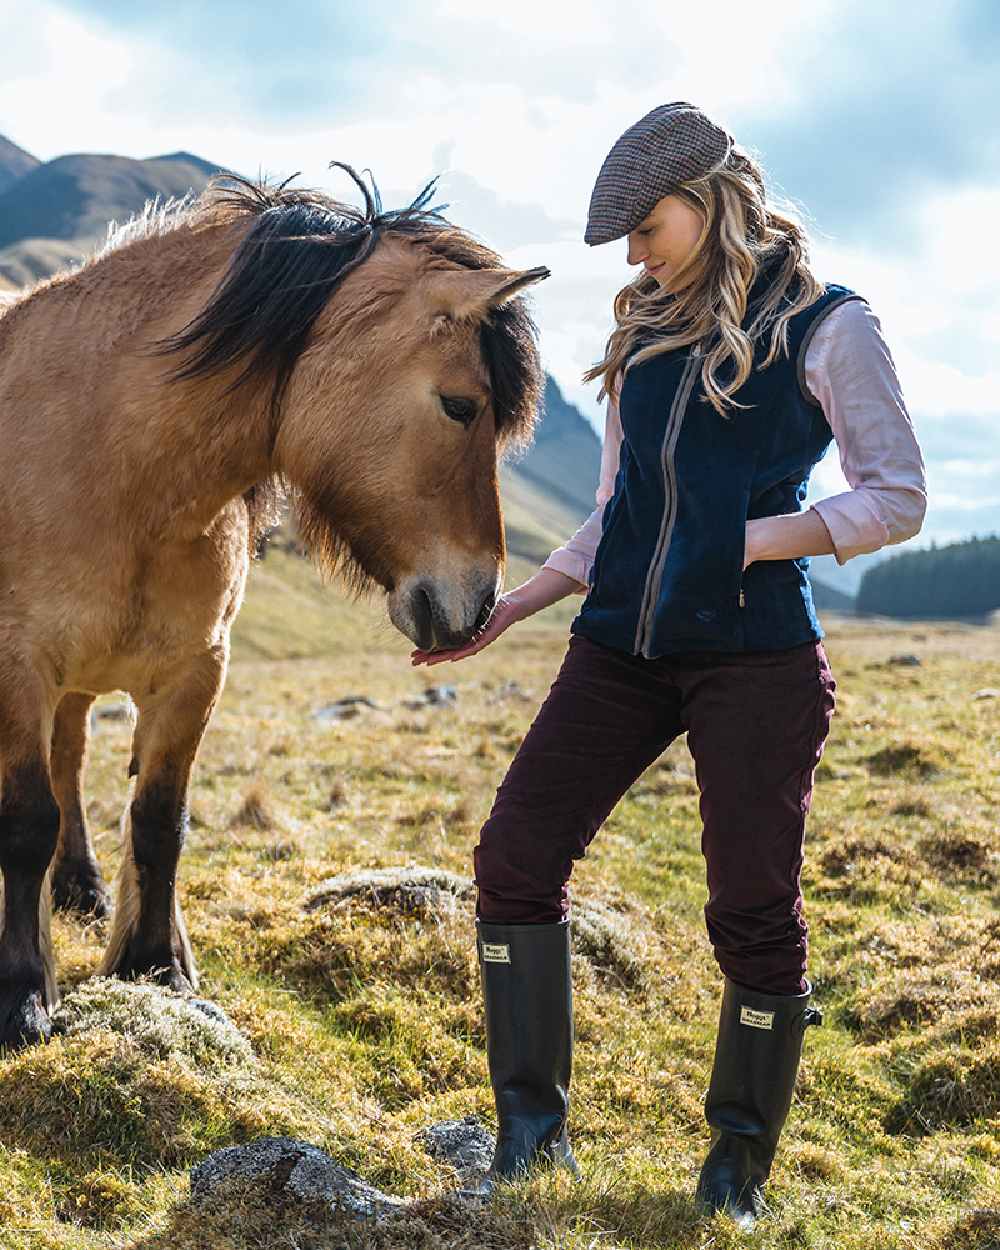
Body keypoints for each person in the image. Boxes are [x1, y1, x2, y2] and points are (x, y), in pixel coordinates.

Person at [411, 102, 926, 1228]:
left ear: (713, 198)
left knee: (751, 905)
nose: (636, 255)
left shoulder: (830, 325)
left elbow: (896, 495)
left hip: (755, 655)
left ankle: (736, 1163)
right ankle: (528, 1135)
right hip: (620, 653)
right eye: (626, 240)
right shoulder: (640, 329)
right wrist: (517, 610)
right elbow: (614, 515)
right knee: (512, 857)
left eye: (647, 227)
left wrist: (741, 538)